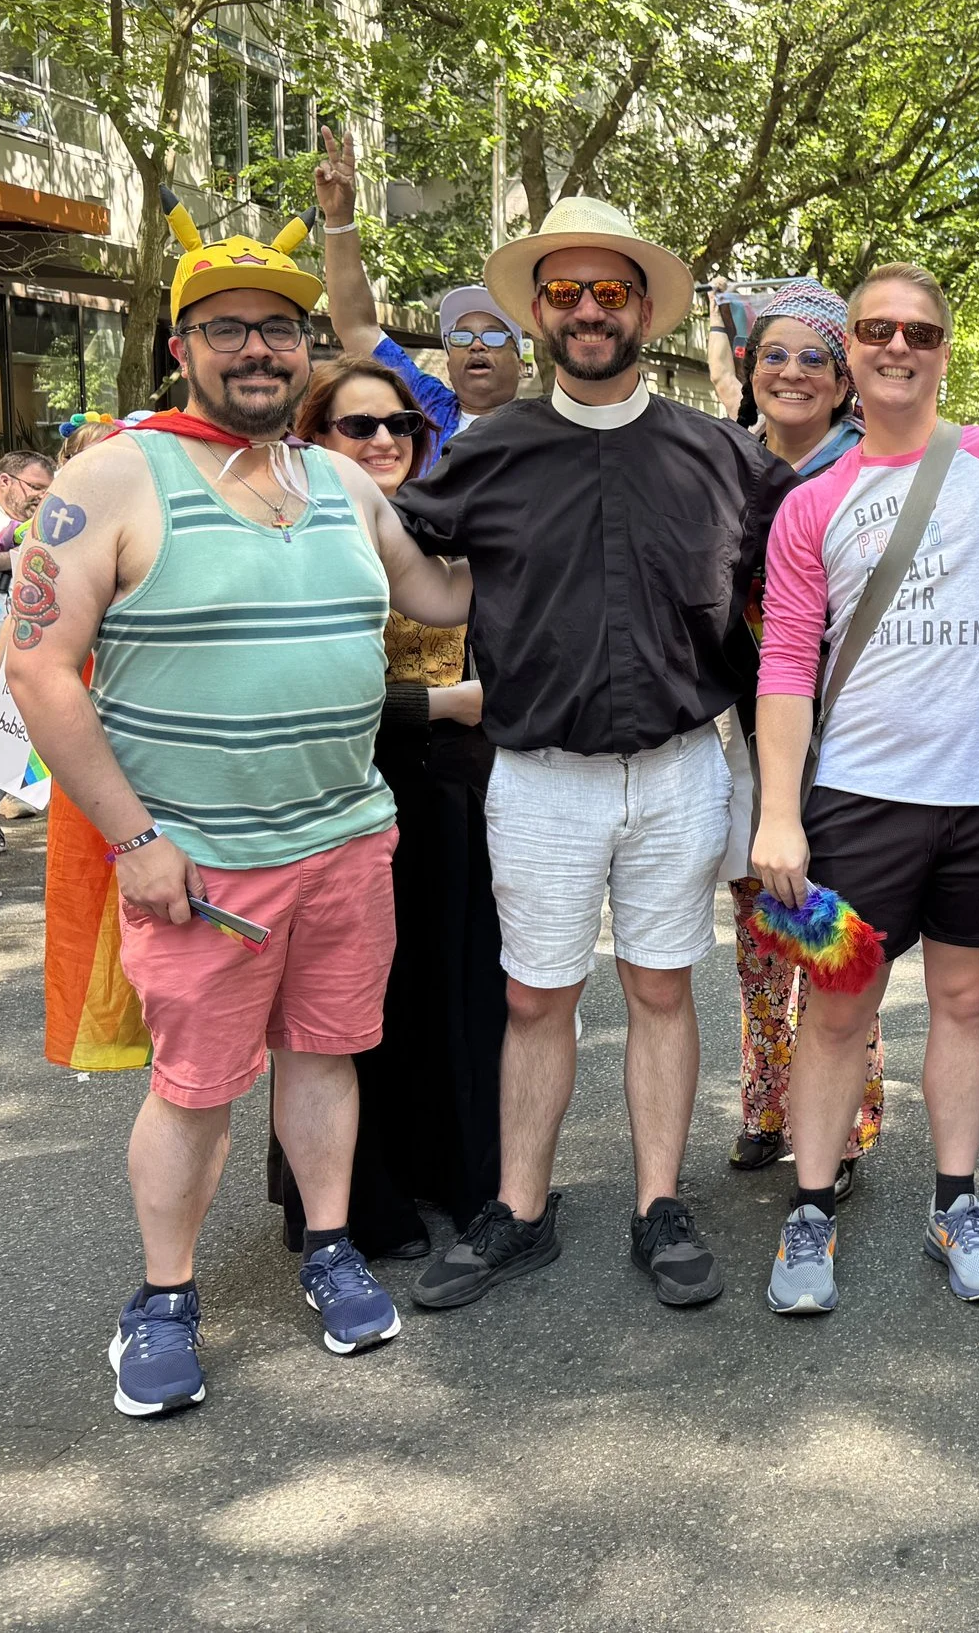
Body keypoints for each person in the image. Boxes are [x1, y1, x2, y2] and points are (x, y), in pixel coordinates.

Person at [4, 194, 472, 1416]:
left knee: (324, 1058)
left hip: (346, 838)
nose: (259, 348)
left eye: (282, 329)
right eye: (229, 328)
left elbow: (439, 588)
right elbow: (39, 668)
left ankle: (327, 1247)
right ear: (183, 346)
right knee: (197, 1087)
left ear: (309, 351)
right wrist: (136, 839)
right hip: (198, 863)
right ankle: (160, 1301)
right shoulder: (111, 477)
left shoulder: (339, 480)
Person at [392, 196, 793, 1316]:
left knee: (662, 987)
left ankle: (658, 1204)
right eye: (562, 293)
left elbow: (802, 590)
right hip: (538, 777)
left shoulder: (725, 456)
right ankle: (520, 1210)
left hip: (677, 770)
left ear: (644, 310)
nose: (585, 311)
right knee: (534, 999)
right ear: (534, 313)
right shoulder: (489, 451)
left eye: (607, 292)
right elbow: (412, 561)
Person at [751, 262, 979, 1317]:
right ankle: (809, 1214)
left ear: (948, 347)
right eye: (876, 329)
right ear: (849, 348)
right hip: (853, 804)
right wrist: (774, 813)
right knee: (836, 1008)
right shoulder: (811, 505)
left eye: (921, 332)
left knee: (967, 1002)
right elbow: (784, 670)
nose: (898, 346)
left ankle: (957, 1203)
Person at [256, 357, 506, 1259]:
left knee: (455, 983)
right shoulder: (289, 529)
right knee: (345, 1008)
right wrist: (445, 704)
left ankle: (460, 1174)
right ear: (313, 438)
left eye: (400, 424)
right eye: (358, 426)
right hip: (341, 780)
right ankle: (361, 1203)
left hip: (455, 788)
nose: (386, 441)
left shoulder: (446, 516)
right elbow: (301, 686)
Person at [715, 281, 878, 1189]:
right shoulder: (726, 465)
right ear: (749, 369)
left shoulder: (870, 470)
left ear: (844, 375)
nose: (792, 372)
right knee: (763, 934)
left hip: (851, 743)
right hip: (751, 734)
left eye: (815, 355)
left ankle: (844, 1127)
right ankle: (768, 1104)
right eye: (773, 354)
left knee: (835, 937)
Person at [316, 128, 528, 459]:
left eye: (495, 337)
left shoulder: (546, 434)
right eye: (460, 338)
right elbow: (357, 327)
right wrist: (339, 219)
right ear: (449, 359)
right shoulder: (427, 409)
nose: (476, 345)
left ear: (521, 361)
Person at [0, 450, 54, 579]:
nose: (43, 496)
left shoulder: (50, 528)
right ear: (5, 481)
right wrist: (16, 556)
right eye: (36, 487)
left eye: (48, 491)